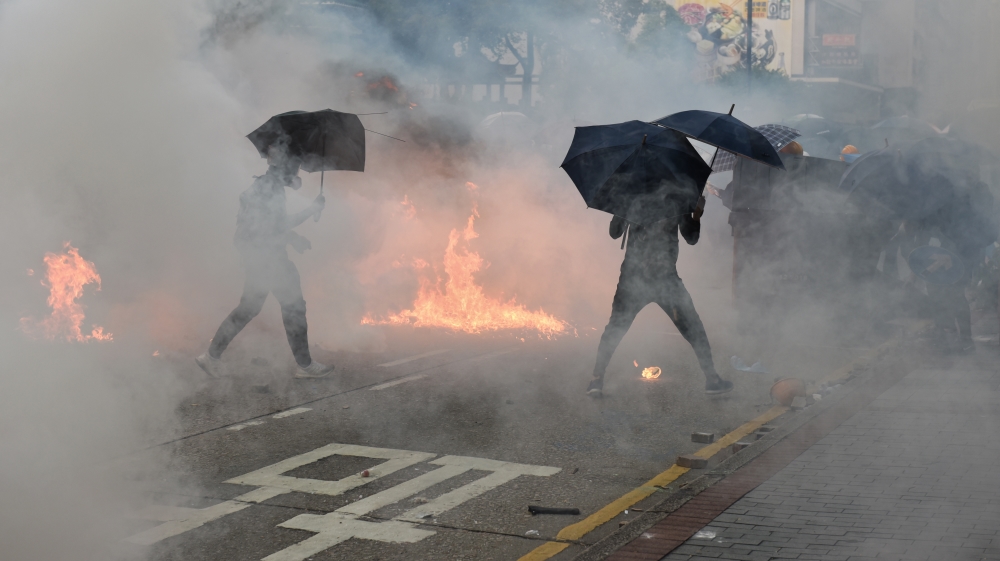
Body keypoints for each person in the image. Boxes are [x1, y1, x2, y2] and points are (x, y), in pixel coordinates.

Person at [196, 145, 335, 378]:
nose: (297, 171)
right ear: (286, 166)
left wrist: (295, 239)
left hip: (258, 255)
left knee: (249, 308)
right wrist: (312, 209)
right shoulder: (271, 188)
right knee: (293, 307)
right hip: (268, 258)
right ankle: (305, 366)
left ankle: (210, 356)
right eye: (295, 166)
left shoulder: (266, 185)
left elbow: (268, 224)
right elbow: (278, 224)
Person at [587, 196, 733, 396]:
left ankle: (596, 380)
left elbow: (614, 232)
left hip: (637, 278)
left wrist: (620, 206)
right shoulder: (676, 195)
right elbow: (691, 238)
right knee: (693, 328)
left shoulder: (631, 195)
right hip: (663, 278)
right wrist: (697, 215)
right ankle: (712, 379)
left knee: (615, 328)